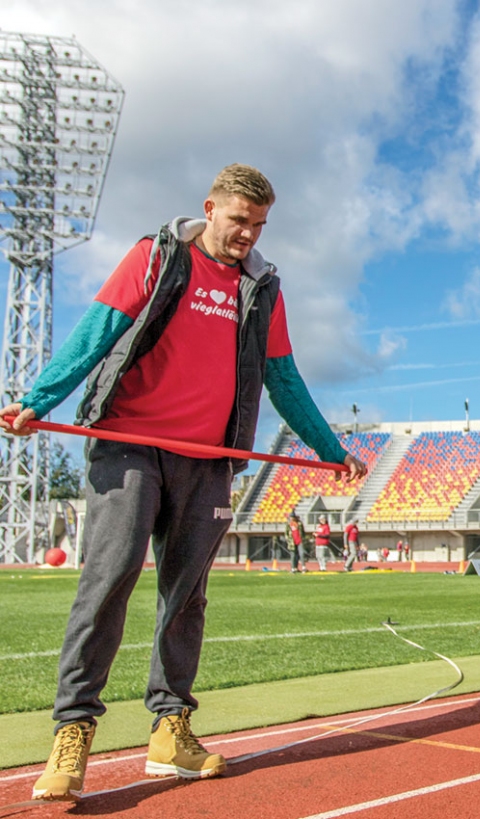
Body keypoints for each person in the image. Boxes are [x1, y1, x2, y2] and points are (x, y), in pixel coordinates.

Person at [1, 164, 368, 802]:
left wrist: (330, 449)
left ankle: (171, 730)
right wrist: (40, 398)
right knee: (108, 582)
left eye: (258, 226)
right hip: (129, 445)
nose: (247, 235)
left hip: (209, 458)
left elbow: (283, 378)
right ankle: (73, 731)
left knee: (187, 596)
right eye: (238, 221)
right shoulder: (156, 255)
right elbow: (97, 331)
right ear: (210, 208)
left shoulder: (263, 288)